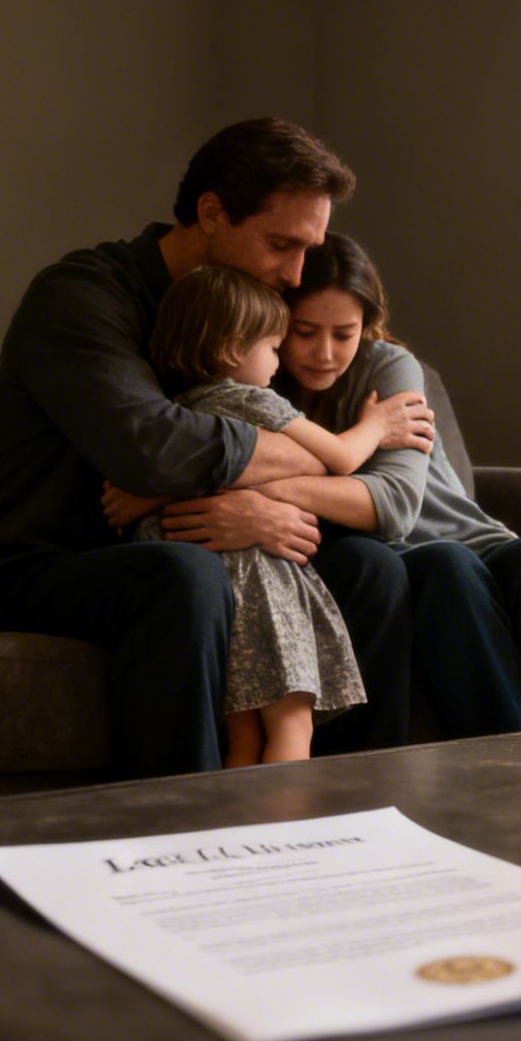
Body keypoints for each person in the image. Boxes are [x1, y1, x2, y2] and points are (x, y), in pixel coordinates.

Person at [0, 118, 431, 776]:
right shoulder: (83, 296)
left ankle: (341, 821)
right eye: (281, 244)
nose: (295, 274)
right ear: (211, 212)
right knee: (183, 573)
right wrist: (282, 466)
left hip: (173, 545)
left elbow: (244, 447)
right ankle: (188, 835)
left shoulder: (250, 312)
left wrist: (253, 501)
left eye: (307, 250)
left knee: (374, 567)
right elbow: (153, 450)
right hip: (37, 565)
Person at [259, 233, 521, 736]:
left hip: (477, 540)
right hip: (407, 558)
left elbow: (396, 501)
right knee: (447, 565)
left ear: (366, 326)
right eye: (304, 332)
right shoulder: (258, 382)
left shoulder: (389, 365)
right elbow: (389, 524)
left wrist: (267, 484)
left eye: (344, 334)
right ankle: (514, 766)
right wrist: (365, 437)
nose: (324, 353)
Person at [133, 265, 427, 766]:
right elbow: (339, 456)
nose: (279, 360)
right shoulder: (259, 402)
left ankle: (235, 827)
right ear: (231, 351)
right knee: (294, 728)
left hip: (210, 585)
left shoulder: (175, 412)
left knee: (244, 738)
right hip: (261, 577)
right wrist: (375, 426)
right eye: (281, 343)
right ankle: (288, 833)